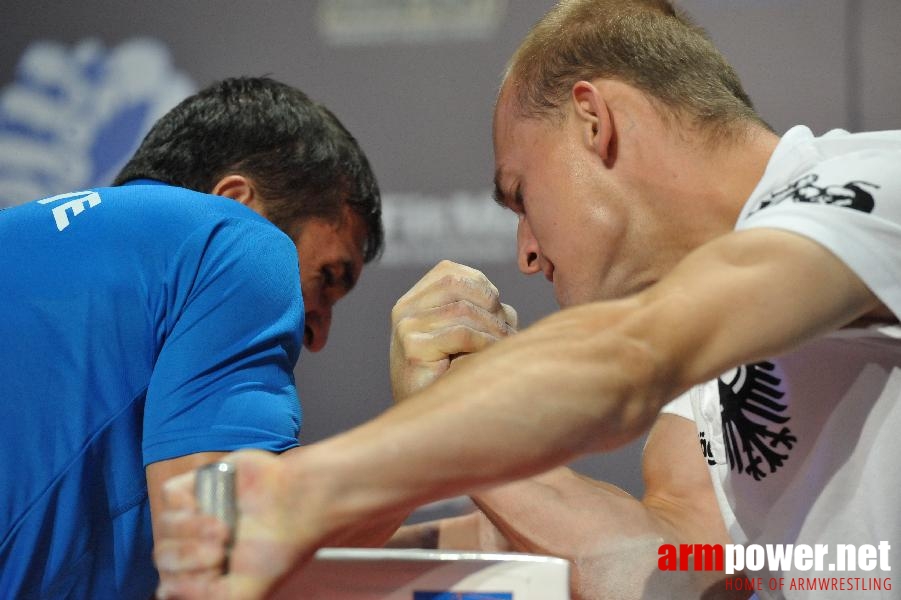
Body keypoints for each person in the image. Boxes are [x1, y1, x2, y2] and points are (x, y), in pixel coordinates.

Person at [154, 1, 901, 598]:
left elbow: (629, 356)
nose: (524, 252)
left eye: (519, 196)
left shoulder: (872, 185)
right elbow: (680, 568)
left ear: (592, 120)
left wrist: (304, 489)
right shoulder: (712, 348)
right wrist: (471, 415)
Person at [0, 75, 384, 598]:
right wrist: (439, 423)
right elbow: (221, 548)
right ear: (236, 201)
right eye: (330, 277)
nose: (318, 334)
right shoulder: (233, 237)